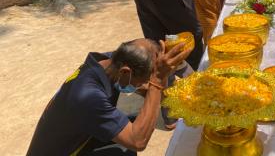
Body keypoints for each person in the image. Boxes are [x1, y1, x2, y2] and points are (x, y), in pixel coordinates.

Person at [27, 39, 192, 156]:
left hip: (78, 139)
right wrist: (157, 82)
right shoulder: (87, 96)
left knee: (132, 123)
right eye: (144, 81)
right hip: (66, 151)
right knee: (128, 143)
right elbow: (138, 141)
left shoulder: (110, 62)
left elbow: (145, 89)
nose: (145, 85)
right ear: (125, 72)